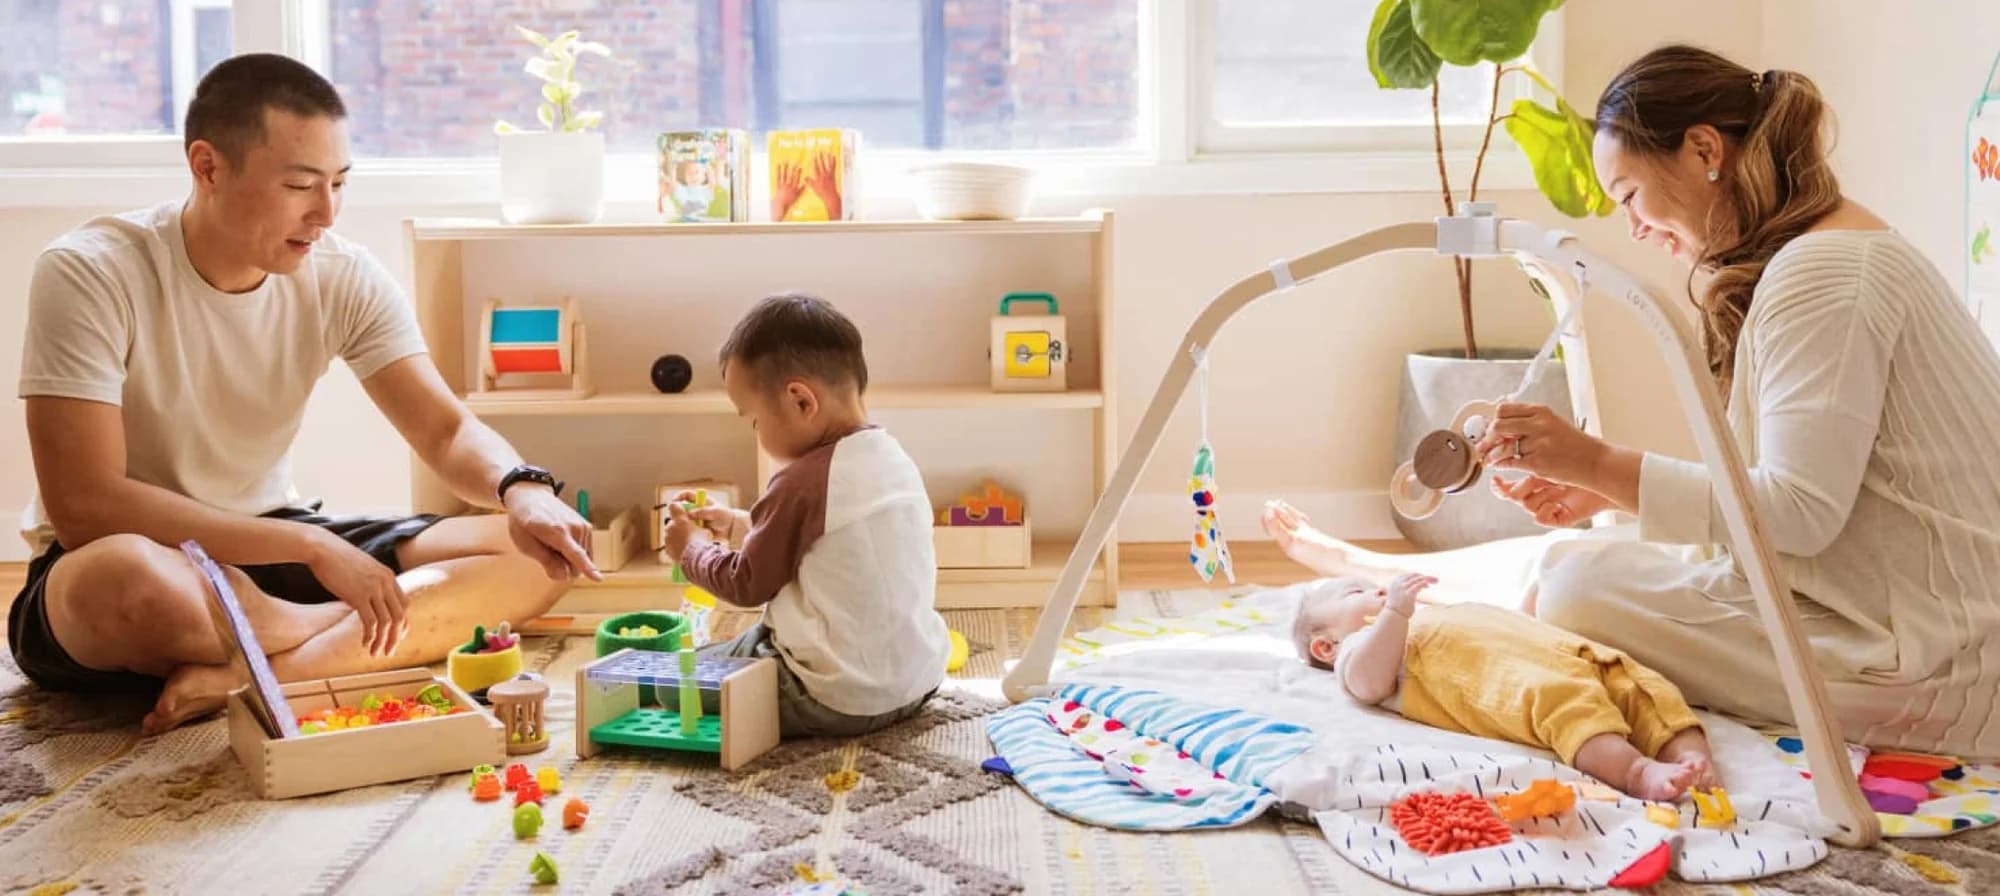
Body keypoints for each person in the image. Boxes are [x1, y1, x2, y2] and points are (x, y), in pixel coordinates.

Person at [1266, 44, 2000, 760]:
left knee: (1575, 585)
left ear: (1704, 148)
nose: (1636, 227)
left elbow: (1798, 517)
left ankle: (1390, 588)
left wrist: (1598, 462)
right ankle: (1379, 578)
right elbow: (1809, 491)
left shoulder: (1824, 276)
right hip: (1907, 613)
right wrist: (1598, 483)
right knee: (1575, 561)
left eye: (1631, 196)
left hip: (1933, 660)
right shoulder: (1831, 251)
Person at [11, 54, 601, 735]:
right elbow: (86, 506)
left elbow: (444, 432)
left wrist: (522, 489)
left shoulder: (342, 274)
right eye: (300, 186)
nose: (325, 213)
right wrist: (308, 549)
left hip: (271, 548)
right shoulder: (90, 271)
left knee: (531, 553)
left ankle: (262, 675)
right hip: (143, 557)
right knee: (124, 578)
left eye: (339, 184)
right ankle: (335, 639)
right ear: (207, 168)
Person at [662, 292, 951, 738]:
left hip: (832, 696)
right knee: (744, 645)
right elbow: (826, 543)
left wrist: (691, 550)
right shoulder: (892, 458)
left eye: (754, 419)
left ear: (801, 401)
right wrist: (739, 524)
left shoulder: (802, 482)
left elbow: (746, 582)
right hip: (916, 680)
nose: (756, 431)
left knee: (672, 684)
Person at [1292, 571, 1717, 800]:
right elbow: (1368, 683)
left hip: (1552, 649)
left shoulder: (1421, 617)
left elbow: (1495, 634)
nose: (1378, 591)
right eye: (1356, 591)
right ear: (1326, 647)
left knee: (1640, 684)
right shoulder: (1360, 647)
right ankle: (1636, 771)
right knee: (1567, 705)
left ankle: (1690, 759)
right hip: (1512, 679)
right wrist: (1394, 613)